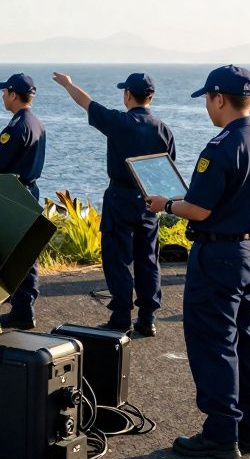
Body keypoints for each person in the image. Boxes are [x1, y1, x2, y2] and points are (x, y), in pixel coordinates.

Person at [145, 65, 250, 459]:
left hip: (220, 255)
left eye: (207, 98)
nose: (207, 106)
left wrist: (165, 204)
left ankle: (221, 432)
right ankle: (249, 429)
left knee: (214, 343)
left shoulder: (222, 146)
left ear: (219, 98)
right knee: (247, 340)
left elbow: (200, 209)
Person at [52, 71, 175, 337]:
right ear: (150, 97)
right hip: (150, 200)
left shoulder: (120, 122)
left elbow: (87, 102)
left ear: (127, 95)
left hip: (120, 197)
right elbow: (167, 168)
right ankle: (148, 317)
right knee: (148, 259)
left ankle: (121, 316)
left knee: (116, 258)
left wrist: (68, 84)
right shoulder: (163, 129)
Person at [0, 72, 46, 329]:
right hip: (30, 191)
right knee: (25, 253)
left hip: (13, 194)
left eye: (4, 92)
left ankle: (19, 309)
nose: (2, 97)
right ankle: (23, 307)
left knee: (8, 252)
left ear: (13, 94)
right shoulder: (37, 123)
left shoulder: (16, 127)